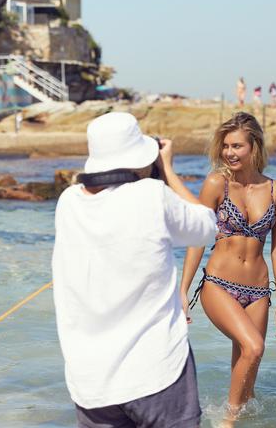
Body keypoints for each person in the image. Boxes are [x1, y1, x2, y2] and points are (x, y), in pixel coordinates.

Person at [52, 112, 217, 428]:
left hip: (90, 381)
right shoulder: (153, 195)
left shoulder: (68, 202)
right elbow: (207, 227)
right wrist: (166, 168)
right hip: (155, 371)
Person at [181, 112, 276, 424]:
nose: (230, 152)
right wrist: (182, 291)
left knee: (248, 381)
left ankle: (244, 420)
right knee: (254, 348)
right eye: (226, 146)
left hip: (258, 292)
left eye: (238, 146)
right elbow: (196, 239)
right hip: (218, 285)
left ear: (255, 146)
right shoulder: (217, 183)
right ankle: (226, 422)